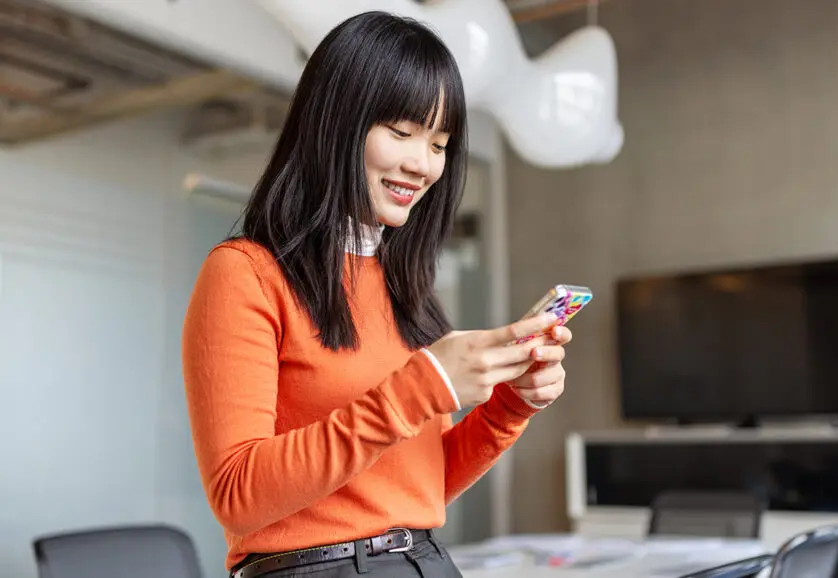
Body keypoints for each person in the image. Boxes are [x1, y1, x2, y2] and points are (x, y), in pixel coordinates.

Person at [181, 11, 572, 578]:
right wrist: (421, 387)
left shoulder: (401, 283)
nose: (423, 164)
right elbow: (238, 495)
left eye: (439, 143)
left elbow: (416, 486)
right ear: (335, 122)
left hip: (423, 561)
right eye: (402, 133)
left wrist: (511, 406)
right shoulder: (245, 274)